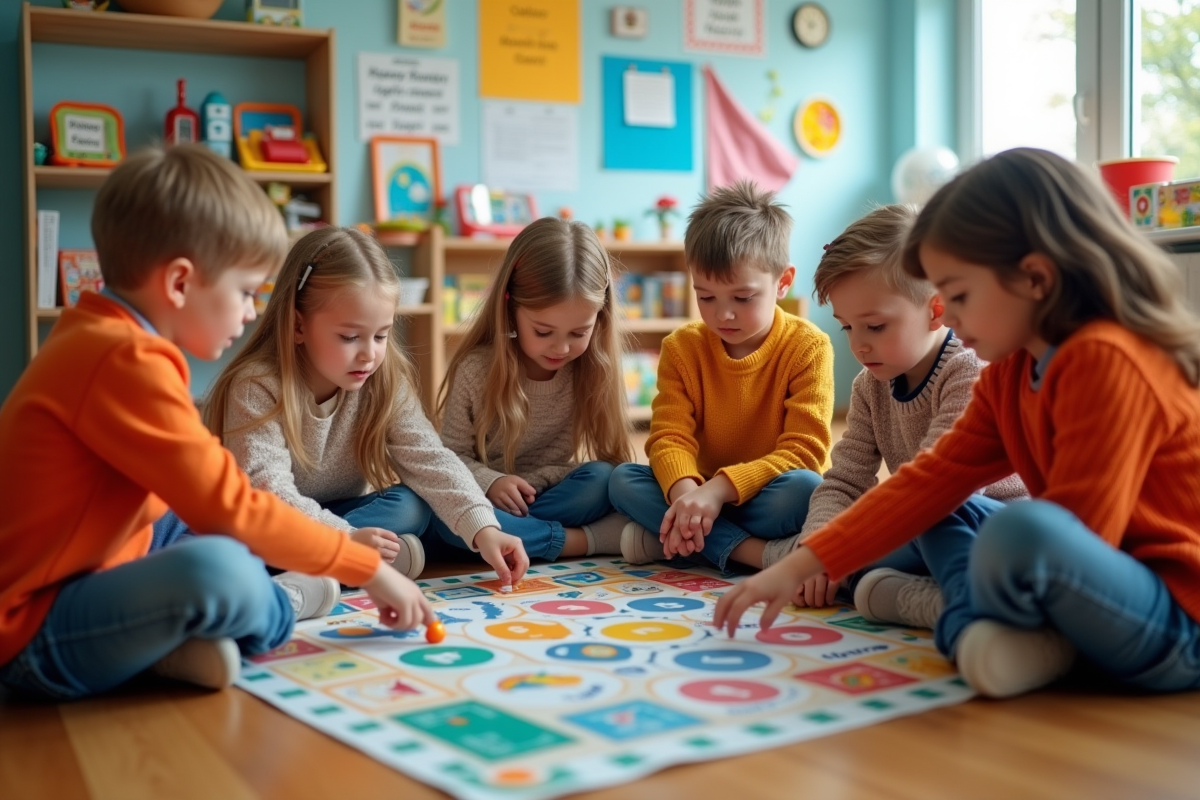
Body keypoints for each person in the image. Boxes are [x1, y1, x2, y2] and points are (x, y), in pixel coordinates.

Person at [715, 148, 1200, 699]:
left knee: (1024, 528)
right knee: (935, 502)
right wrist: (801, 564)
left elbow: (1081, 537)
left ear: (1035, 278)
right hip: (1094, 592)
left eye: (960, 295)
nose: (948, 312)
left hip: (1175, 622)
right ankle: (978, 628)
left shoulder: (1106, 359)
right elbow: (926, 483)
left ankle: (984, 624)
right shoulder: (1009, 375)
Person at [0, 145, 433, 699]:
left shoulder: (105, 336)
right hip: (30, 634)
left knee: (197, 529)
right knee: (221, 565)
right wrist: (364, 566)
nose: (251, 312)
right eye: (245, 291)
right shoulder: (122, 359)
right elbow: (231, 505)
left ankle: (165, 642)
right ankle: (282, 604)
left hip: (96, 573)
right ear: (180, 283)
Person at [205, 226, 529, 611]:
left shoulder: (383, 379)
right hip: (268, 526)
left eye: (381, 336)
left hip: (342, 517)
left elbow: (429, 458)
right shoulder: (257, 386)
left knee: (409, 505)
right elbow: (268, 493)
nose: (369, 355)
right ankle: (349, 564)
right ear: (298, 326)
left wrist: (484, 528)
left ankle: (330, 569)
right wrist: (344, 541)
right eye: (350, 337)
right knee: (233, 551)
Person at [765, 204, 1026, 638]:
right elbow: (844, 480)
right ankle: (913, 596)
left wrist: (829, 553)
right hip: (922, 523)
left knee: (897, 528)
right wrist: (817, 544)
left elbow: (938, 491)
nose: (859, 346)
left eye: (874, 326)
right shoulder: (871, 386)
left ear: (936, 310)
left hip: (993, 529)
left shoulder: (968, 371)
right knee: (841, 554)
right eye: (847, 328)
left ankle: (969, 604)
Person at [609, 180, 835, 573]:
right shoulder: (682, 347)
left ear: (783, 282)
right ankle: (758, 553)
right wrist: (687, 496)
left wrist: (717, 493)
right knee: (622, 481)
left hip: (765, 492)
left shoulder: (808, 346)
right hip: (697, 490)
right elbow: (668, 437)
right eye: (706, 296)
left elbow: (804, 453)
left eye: (743, 298)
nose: (722, 314)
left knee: (805, 490)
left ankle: (671, 539)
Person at [436, 217, 634, 560]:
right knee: (438, 512)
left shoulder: (591, 369)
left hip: (546, 496)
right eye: (543, 332)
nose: (561, 348)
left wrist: (543, 479)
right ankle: (583, 541)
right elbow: (448, 460)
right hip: (483, 500)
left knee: (604, 479)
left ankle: (513, 539)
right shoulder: (475, 370)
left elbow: (605, 461)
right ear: (510, 308)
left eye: (579, 333)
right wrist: (491, 482)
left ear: (599, 318)